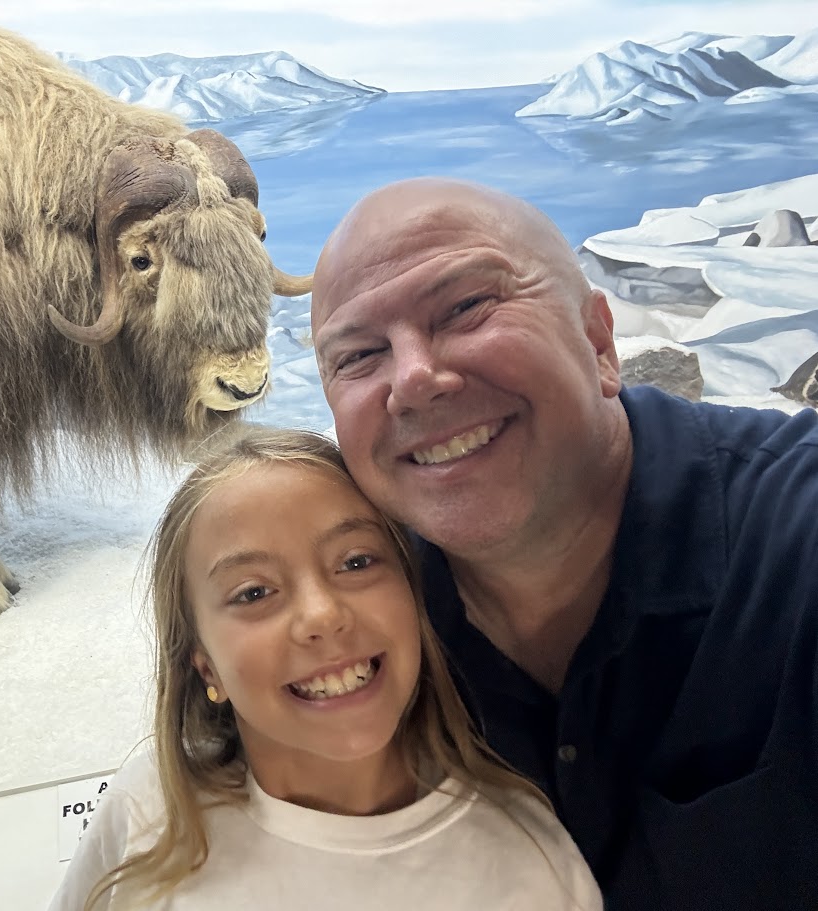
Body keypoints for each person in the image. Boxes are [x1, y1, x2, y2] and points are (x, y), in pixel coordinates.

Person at [310, 176, 818, 910]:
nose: (414, 379)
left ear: (600, 340)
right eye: (358, 355)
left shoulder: (795, 538)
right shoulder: (350, 626)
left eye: (465, 307)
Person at [48, 427, 600, 910]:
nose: (322, 615)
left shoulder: (530, 862)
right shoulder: (149, 812)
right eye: (254, 591)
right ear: (205, 667)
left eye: (356, 561)